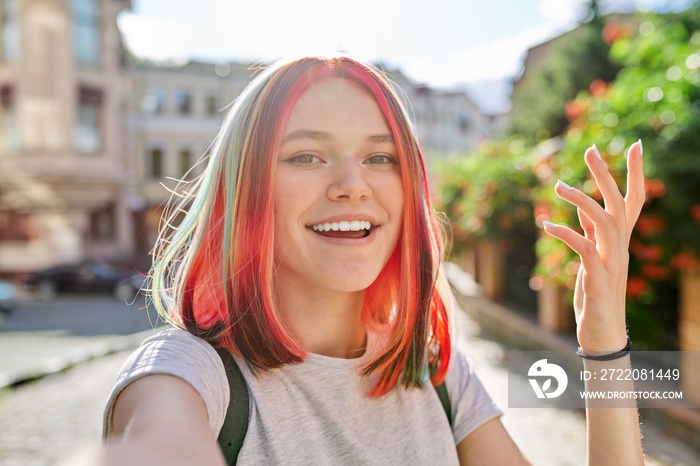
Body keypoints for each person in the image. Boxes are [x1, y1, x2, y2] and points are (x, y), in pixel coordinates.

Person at [89, 54, 645, 465]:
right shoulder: (187, 375)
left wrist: (603, 343)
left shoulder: (436, 370)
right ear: (246, 189)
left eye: (381, 157)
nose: (353, 185)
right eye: (306, 155)